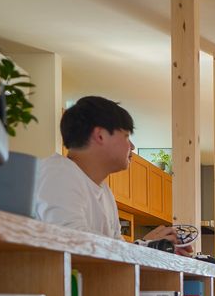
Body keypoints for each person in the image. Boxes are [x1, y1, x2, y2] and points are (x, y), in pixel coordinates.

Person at [35, 96, 183, 248]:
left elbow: (116, 249)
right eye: (126, 136)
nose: (132, 147)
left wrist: (152, 247)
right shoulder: (58, 172)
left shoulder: (105, 192)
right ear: (100, 135)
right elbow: (72, 242)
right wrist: (143, 246)